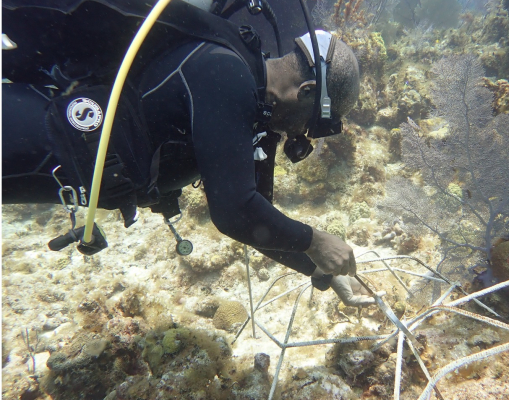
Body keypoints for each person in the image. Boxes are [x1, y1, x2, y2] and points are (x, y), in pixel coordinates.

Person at [2, 0, 380, 306]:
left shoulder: (257, 117)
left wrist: (316, 270)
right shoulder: (225, 74)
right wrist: (317, 241)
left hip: (61, 169)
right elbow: (233, 212)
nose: (301, 136)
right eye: (313, 125)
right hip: (41, 133)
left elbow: (258, 222)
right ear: (308, 90)